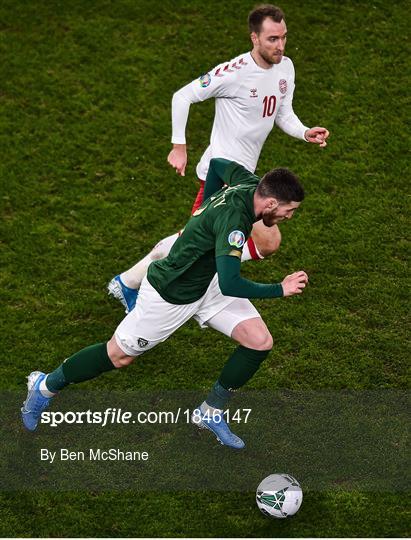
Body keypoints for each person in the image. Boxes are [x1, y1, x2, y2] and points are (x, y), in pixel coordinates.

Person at [21, 158, 308, 449]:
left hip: (205, 283)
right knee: (118, 356)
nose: (289, 216)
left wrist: (203, 207)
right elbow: (230, 283)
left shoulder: (250, 184)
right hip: (171, 294)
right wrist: (280, 289)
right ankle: (44, 387)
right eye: (290, 210)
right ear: (271, 203)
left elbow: (219, 164)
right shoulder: (234, 221)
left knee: (259, 341)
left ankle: (210, 412)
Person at [108, 4, 328, 313]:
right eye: (272, 39)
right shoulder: (233, 73)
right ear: (254, 38)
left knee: (264, 242)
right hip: (221, 174)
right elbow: (182, 96)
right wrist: (179, 146)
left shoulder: (285, 68)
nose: (280, 46)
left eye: (284, 38)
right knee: (199, 242)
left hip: (246, 177)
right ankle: (133, 282)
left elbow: (282, 112)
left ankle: (179, 268)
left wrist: (305, 132)